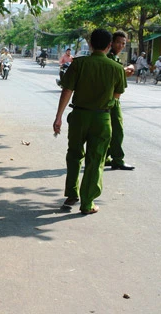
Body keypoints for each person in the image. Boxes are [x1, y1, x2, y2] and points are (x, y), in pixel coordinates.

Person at [53, 28, 126, 215]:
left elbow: (66, 91)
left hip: (79, 116)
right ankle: (87, 203)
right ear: (110, 46)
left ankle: (71, 193)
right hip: (102, 118)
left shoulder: (79, 64)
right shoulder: (117, 68)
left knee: (74, 154)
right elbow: (116, 95)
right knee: (96, 159)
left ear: (90, 44)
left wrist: (59, 116)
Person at [104, 31, 134, 170]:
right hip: (111, 99)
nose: (121, 45)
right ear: (111, 43)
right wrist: (124, 72)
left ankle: (106, 157)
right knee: (117, 130)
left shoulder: (115, 58)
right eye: (118, 42)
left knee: (109, 130)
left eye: (123, 43)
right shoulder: (109, 58)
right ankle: (117, 159)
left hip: (110, 98)